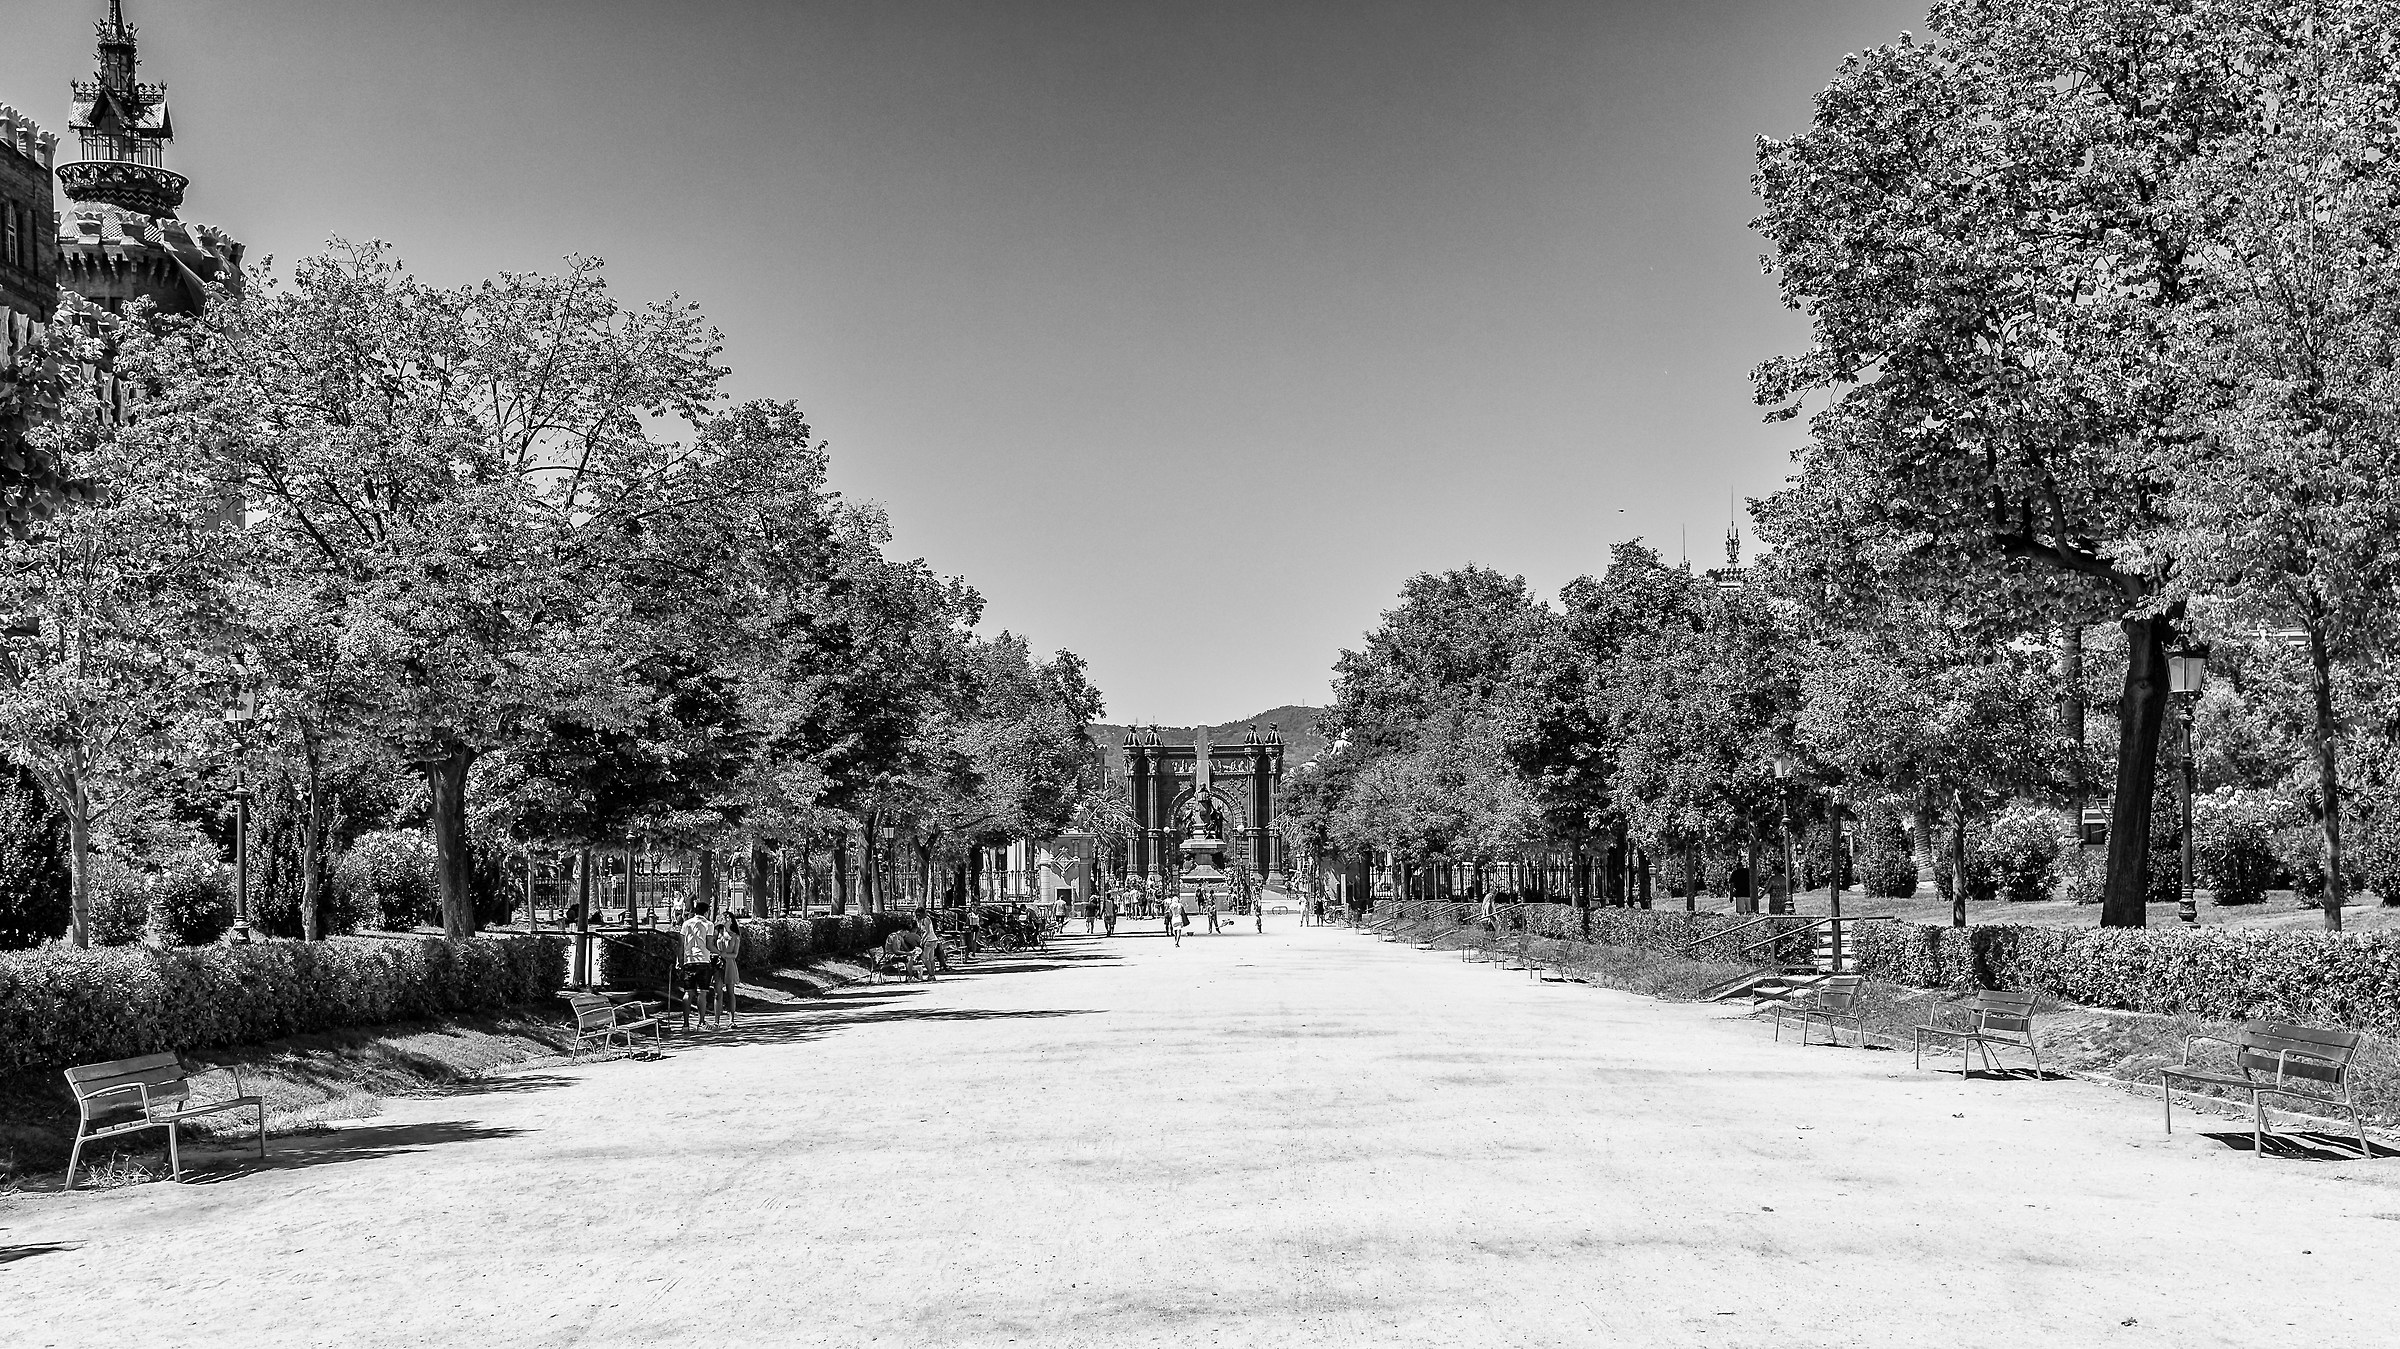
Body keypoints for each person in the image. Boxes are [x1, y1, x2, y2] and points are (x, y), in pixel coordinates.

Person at [677, 899, 718, 1028]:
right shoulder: (709, 924)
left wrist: (679, 960)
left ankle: (685, 1024)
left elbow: (681, 944)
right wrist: (720, 953)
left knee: (688, 992)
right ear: (706, 912)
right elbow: (709, 944)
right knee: (702, 992)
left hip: (689, 960)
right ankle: (701, 1022)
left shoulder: (686, 924)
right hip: (703, 960)